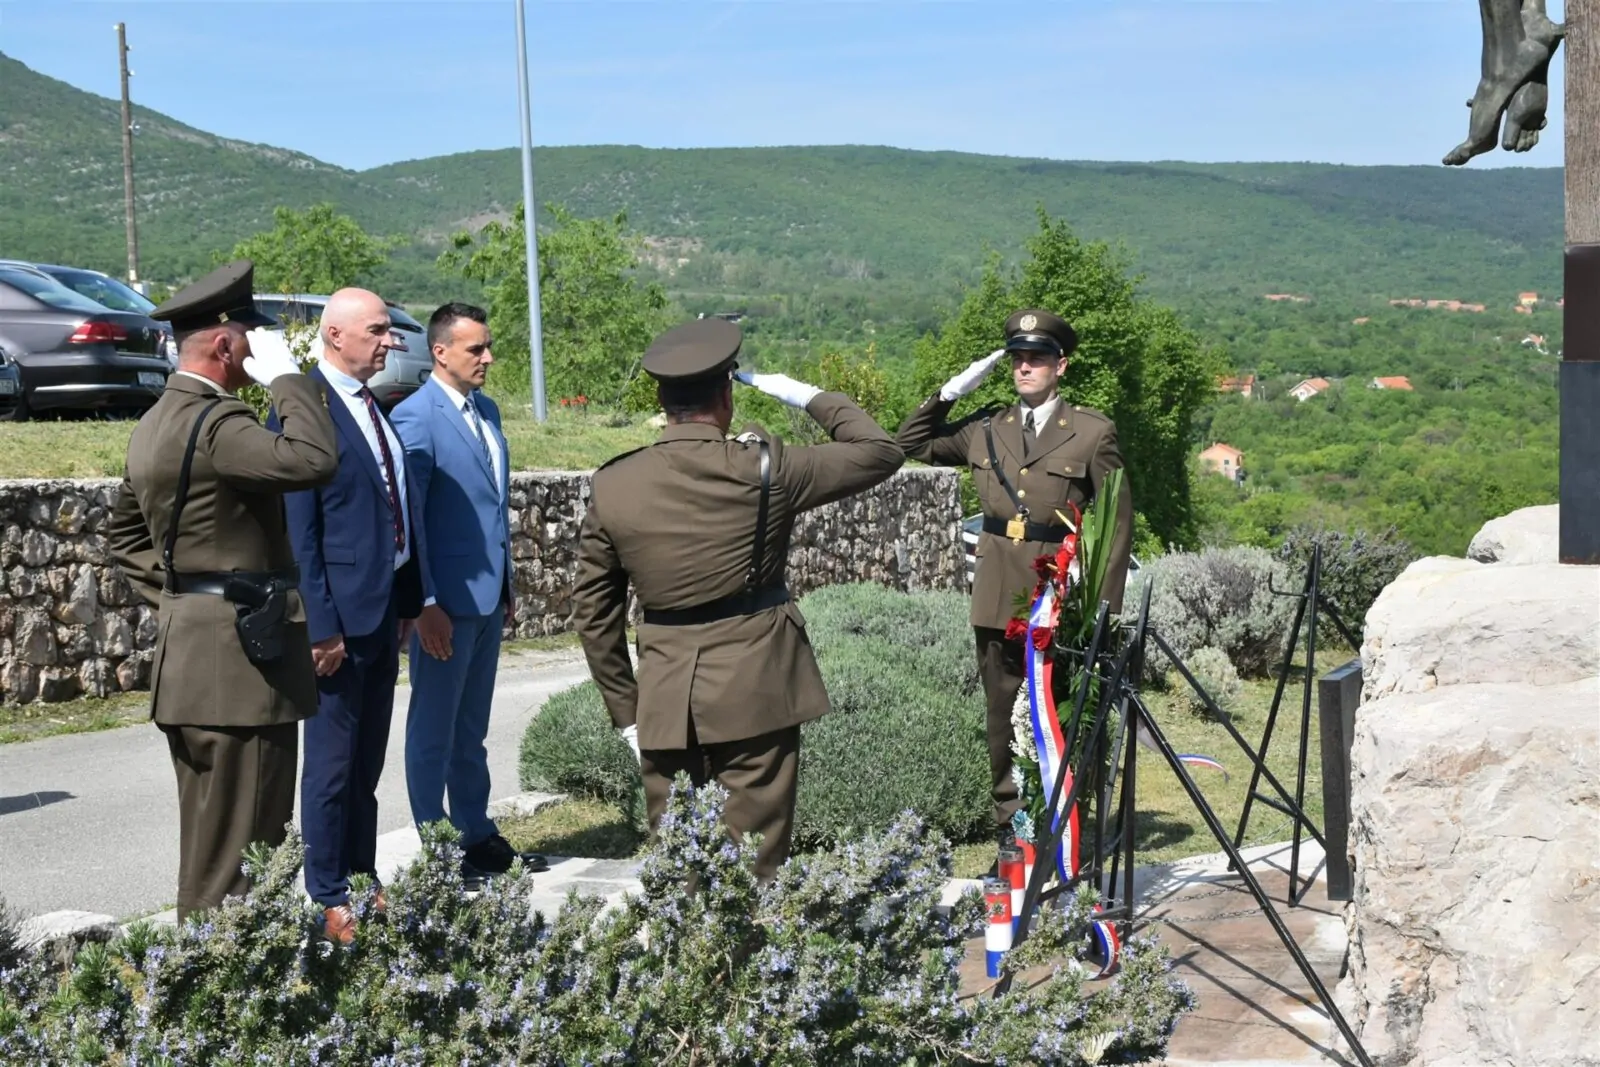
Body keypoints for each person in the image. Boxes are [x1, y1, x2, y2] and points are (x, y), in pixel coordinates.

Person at [570, 318, 904, 881]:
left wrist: (627, 713)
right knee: (754, 866)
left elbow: (593, 613)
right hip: (756, 688)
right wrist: (803, 393)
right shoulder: (769, 469)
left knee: (681, 869)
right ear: (727, 395)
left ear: (661, 398)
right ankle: (743, 967)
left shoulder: (614, 483)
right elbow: (879, 450)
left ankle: (688, 969)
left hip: (665, 699)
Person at [107, 259, 338, 921]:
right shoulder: (219, 424)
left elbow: (127, 539)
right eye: (251, 339)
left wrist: (190, 603)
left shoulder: (153, 424)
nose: (257, 350)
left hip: (194, 659)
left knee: (209, 853)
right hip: (242, 675)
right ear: (225, 344)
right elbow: (313, 458)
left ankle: (198, 995)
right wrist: (289, 379)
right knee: (244, 863)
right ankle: (225, 1005)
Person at [896, 307, 1133, 855]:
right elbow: (911, 440)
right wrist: (954, 388)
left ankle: (1068, 814)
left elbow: (1118, 515)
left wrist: (1102, 603)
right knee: (1001, 709)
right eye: (1017, 359)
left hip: (1058, 595)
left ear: (1061, 365)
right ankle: (1012, 825)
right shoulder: (985, 428)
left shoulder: (1093, 433)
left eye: (1037, 358)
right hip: (998, 589)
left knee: (1060, 707)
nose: (1025, 367)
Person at [278, 288, 427, 943]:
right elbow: (299, 531)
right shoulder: (306, 409)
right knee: (332, 766)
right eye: (376, 331)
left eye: (390, 331)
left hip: (380, 616)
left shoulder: (375, 407)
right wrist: (320, 624)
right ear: (334, 336)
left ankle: (362, 878)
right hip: (338, 623)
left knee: (365, 765)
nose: (389, 340)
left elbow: (398, 512)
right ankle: (327, 893)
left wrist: (408, 599)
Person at [390, 302, 542, 883]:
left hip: (485, 599)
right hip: (443, 607)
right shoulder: (415, 418)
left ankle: (476, 831)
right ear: (441, 352)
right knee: (433, 727)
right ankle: (436, 842)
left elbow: (491, 508)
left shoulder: (490, 411)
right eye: (476, 348)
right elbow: (410, 520)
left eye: (487, 346)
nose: (487, 357)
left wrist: (505, 584)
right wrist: (424, 602)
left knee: (470, 727)